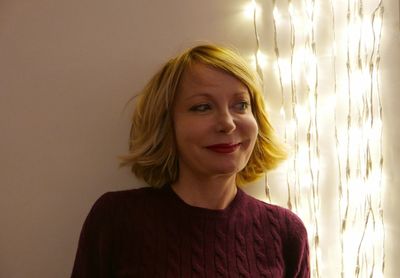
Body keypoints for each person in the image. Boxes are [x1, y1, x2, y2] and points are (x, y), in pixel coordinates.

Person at [71, 44, 310, 277]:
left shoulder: (285, 232)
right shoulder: (116, 218)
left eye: (241, 105)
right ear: (167, 124)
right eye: (202, 107)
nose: (227, 123)